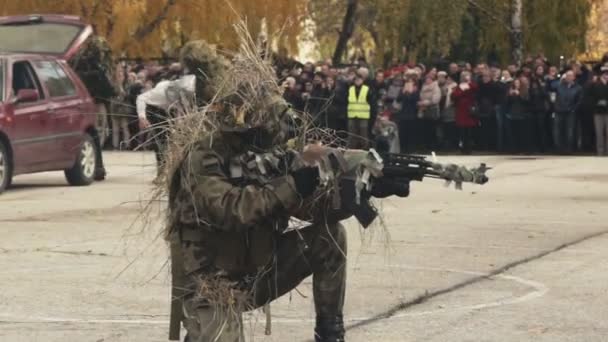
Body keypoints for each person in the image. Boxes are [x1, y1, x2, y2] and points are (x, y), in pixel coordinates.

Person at [168, 37, 409, 342]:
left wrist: (366, 184)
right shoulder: (203, 155)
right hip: (212, 282)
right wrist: (293, 185)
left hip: (258, 270)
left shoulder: (273, 154)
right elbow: (230, 210)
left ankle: (330, 334)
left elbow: (317, 205)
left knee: (330, 237)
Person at [554, 71, 583, 154]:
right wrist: (560, 80)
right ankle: (559, 149)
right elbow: (552, 91)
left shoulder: (578, 88)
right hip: (559, 111)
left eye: (570, 76)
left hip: (570, 112)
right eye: (567, 76)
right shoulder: (560, 86)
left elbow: (579, 101)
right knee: (558, 131)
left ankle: (568, 149)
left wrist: (573, 109)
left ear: (574, 77)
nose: (568, 77)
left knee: (569, 131)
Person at [451, 72, 478, 154]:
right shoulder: (459, 86)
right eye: (463, 76)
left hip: (469, 111)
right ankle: (462, 148)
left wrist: (468, 84)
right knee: (462, 131)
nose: (465, 77)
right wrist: (463, 91)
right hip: (461, 111)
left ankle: (469, 148)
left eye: (467, 75)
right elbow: (454, 96)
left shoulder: (472, 84)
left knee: (469, 131)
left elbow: (475, 89)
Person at [505, 77, 532, 153]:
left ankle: (523, 148)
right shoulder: (510, 91)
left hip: (522, 114)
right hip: (512, 114)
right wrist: (509, 96)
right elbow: (506, 103)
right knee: (513, 133)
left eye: (518, 83)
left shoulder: (525, 91)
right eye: (515, 83)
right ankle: (514, 149)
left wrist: (519, 95)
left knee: (522, 133)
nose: (516, 84)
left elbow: (527, 101)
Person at [346, 74, 372, 149]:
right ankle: (350, 150)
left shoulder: (367, 89)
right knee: (351, 135)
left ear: (362, 80)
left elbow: (371, 102)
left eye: (359, 79)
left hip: (363, 116)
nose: (357, 81)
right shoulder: (350, 89)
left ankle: (365, 150)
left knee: (363, 135)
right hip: (352, 115)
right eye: (356, 80)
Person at [417, 74, 441, 150]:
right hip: (424, 110)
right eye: (426, 79)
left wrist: (425, 102)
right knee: (425, 128)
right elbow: (420, 97)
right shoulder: (423, 88)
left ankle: (434, 145)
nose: (427, 80)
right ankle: (426, 145)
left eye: (429, 79)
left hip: (432, 110)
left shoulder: (436, 88)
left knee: (432, 128)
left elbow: (435, 100)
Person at [475, 71, 499, 151]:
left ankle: (491, 145)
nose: (485, 78)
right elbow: (477, 97)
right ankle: (483, 145)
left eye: (487, 76)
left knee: (491, 128)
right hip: (482, 109)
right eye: (484, 76)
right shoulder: (480, 86)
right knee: (482, 128)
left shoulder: (494, 85)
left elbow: (496, 97)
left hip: (491, 109)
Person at [529, 65, 550, 152]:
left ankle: (543, 147)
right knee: (534, 127)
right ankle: (535, 146)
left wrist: (541, 86)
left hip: (541, 107)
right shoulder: (532, 80)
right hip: (533, 106)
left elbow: (546, 94)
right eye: (538, 69)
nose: (540, 71)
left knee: (541, 127)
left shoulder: (544, 80)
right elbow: (531, 92)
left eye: (541, 69)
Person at [588, 66, 608, 156]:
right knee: (599, 133)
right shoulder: (595, 85)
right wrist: (597, 103)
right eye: (604, 74)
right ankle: (600, 151)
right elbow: (590, 96)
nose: (606, 76)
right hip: (598, 112)